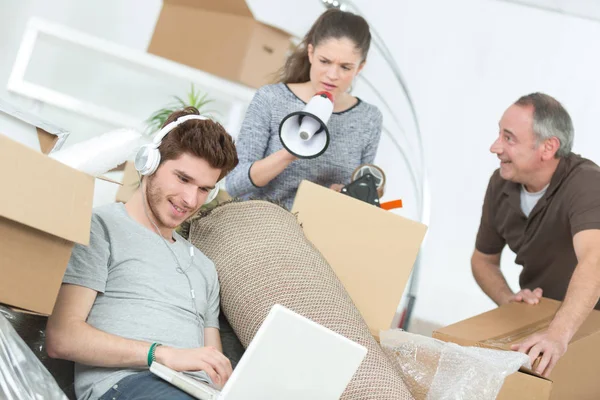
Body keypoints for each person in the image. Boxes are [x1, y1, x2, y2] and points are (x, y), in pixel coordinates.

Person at [46, 107, 239, 400]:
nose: (190, 200)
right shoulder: (99, 228)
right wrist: (160, 354)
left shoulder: (205, 268)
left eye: (204, 189)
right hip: (127, 385)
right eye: (183, 179)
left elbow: (213, 362)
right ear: (149, 162)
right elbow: (62, 338)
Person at [472, 93, 600, 378]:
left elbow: (595, 260)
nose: (495, 147)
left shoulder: (587, 183)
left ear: (548, 147)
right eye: (499, 135)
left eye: (509, 138)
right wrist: (509, 300)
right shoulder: (500, 183)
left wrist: (557, 335)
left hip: (589, 325)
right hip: (542, 319)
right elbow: (483, 260)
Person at [225, 8, 383, 210]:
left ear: (359, 68)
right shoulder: (272, 99)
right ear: (311, 53)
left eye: (345, 67)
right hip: (262, 226)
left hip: (323, 231)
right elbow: (234, 184)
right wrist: (291, 152)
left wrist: (346, 194)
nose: (332, 75)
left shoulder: (368, 118)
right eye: (324, 61)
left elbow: (362, 195)